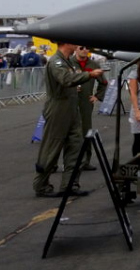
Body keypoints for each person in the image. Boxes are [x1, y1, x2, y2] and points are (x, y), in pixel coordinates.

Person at [32, 42, 105, 197]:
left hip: (72, 108)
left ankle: (70, 185)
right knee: (52, 147)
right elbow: (65, 79)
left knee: (75, 147)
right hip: (59, 108)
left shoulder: (66, 61)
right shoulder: (56, 61)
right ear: (66, 43)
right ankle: (41, 185)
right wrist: (89, 75)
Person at [76, 49, 107, 168]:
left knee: (86, 130)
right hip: (69, 102)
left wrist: (97, 96)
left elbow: (103, 82)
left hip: (85, 102)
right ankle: (67, 162)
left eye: (86, 48)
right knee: (67, 131)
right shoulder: (69, 63)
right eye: (81, 48)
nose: (84, 50)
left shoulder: (93, 65)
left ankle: (85, 161)